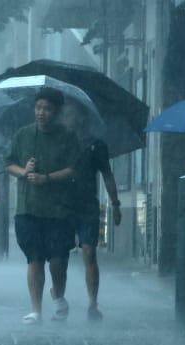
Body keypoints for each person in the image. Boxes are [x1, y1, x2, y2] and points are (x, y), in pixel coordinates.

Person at [4, 87, 79, 324]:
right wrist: (24, 172)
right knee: (34, 258)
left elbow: (74, 169)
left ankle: (58, 294)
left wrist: (47, 178)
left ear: (56, 111)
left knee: (57, 260)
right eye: (38, 108)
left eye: (47, 108)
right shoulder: (23, 135)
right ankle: (36, 309)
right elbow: (9, 164)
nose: (41, 113)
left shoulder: (68, 137)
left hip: (59, 210)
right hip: (28, 208)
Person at [65, 115, 122, 322]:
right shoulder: (60, 141)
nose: (71, 119)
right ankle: (60, 299)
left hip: (87, 206)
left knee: (89, 252)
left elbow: (107, 174)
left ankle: (92, 302)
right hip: (62, 205)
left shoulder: (96, 146)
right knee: (59, 255)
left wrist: (115, 203)